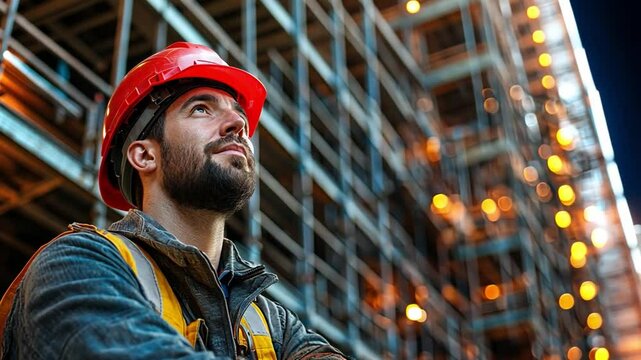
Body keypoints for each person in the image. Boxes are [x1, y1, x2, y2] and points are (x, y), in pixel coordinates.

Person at [0, 42, 346, 359]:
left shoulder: (272, 322)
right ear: (145, 156)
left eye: (238, 113)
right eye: (201, 109)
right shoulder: (78, 264)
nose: (237, 123)